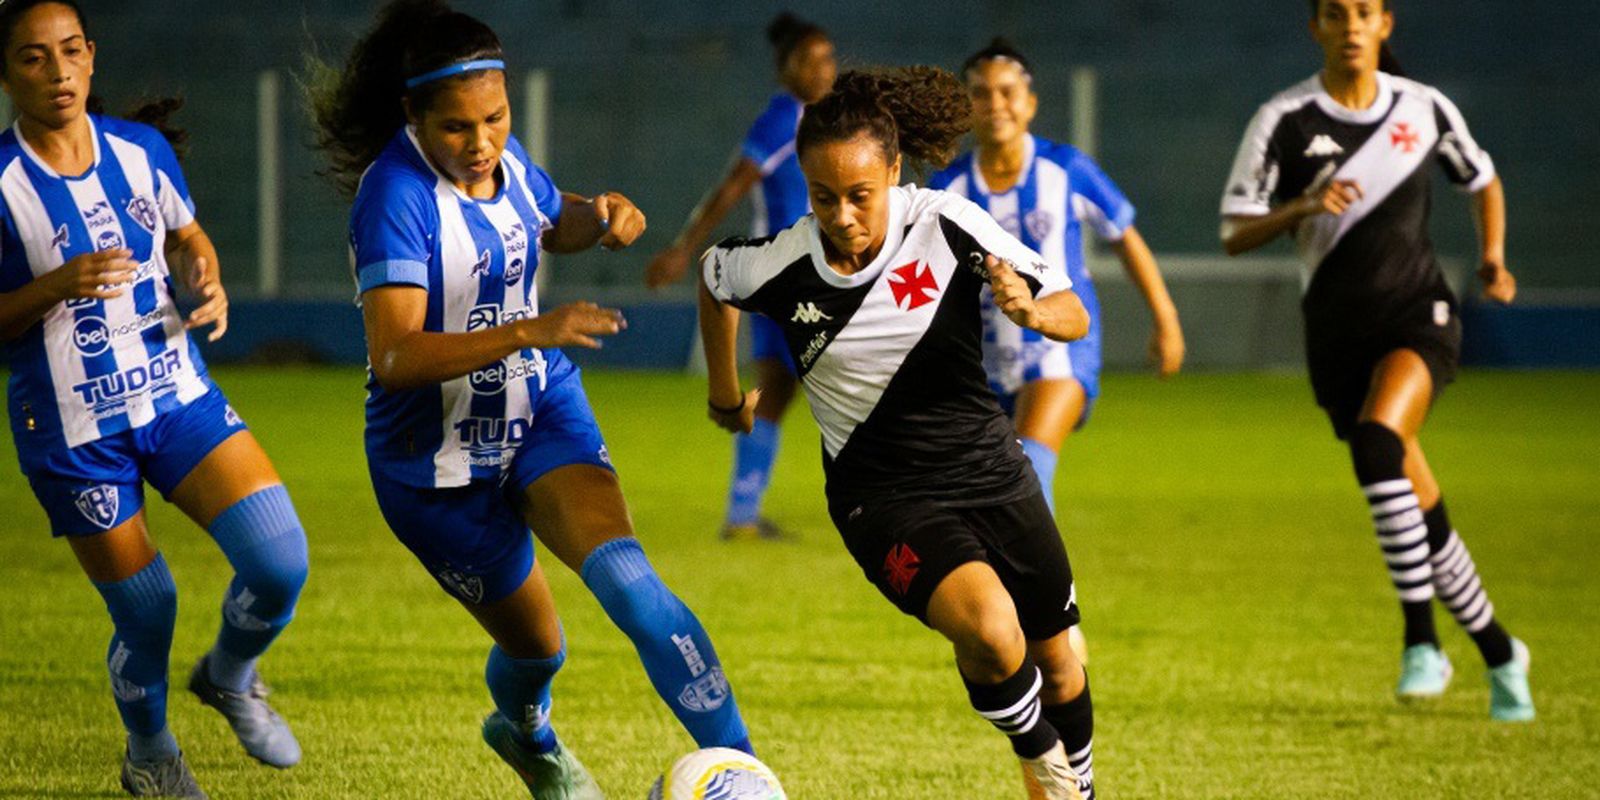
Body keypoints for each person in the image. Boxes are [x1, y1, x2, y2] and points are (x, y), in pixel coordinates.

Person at [308, 1, 754, 795]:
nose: (482, 144)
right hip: (435, 466)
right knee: (539, 651)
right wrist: (527, 330)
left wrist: (601, 215)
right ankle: (530, 736)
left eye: (496, 118)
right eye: (458, 128)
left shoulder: (504, 163)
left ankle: (752, 774)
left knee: (634, 589)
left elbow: (551, 217)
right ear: (412, 115)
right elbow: (397, 353)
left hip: (538, 412)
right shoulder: (395, 200)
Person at [701, 67, 1099, 800]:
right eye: (824, 197)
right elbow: (715, 276)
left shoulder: (945, 223)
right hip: (881, 497)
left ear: (893, 170)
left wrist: (1036, 313)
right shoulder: (784, 264)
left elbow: (1070, 307)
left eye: (861, 195)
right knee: (989, 629)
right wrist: (725, 395)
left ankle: (1079, 786)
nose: (844, 215)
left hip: (990, 471)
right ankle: (1051, 771)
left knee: (1060, 660)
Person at [0, 1, 309, 796]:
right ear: (7, 74)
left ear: (93, 58)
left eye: (71, 51)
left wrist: (205, 274)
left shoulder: (139, 151)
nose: (59, 70)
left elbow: (185, 234)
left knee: (279, 563)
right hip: (73, 431)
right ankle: (150, 754)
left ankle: (231, 676)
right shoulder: (1, 184)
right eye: (34, 58)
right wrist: (53, 287)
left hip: (175, 394)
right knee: (148, 611)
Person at [1220, 0, 1532, 720]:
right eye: (1336, 13)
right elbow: (1235, 229)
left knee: (1377, 442)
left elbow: (1480, 177)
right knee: (1415, 500)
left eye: (1365, 11)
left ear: (1385, 24)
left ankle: (1421, 641)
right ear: (1316, 29)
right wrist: (1300, 208)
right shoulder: (1284, 119)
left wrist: (1491, 257)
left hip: (1418, 315)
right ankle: (1498, 650)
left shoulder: (1423, 108)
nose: (1351, 25)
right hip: (1335, 336)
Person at [931, 38, 1185, 664]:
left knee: (1028, 465)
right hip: (982, 365)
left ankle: (1053, 618)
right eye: (981, 93)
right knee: (986, 490)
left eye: (1007, 91)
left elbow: (1127, 238)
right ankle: (1021, 608)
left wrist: (1166, 317)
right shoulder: (947, 187)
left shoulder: (1066, 170)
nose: (995, 104)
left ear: (1031, 102)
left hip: (1061, 354)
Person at [643, 12, 836, 540]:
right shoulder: (785, 121)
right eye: (809, 60)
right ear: (785, 68)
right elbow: (733, 186)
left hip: (802, 275)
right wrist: (685, 248)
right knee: (840, 377)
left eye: (828, 58)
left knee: (778, 386)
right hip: (790, 276)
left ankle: (743, 514)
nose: (822, 69)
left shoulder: (816, 120)